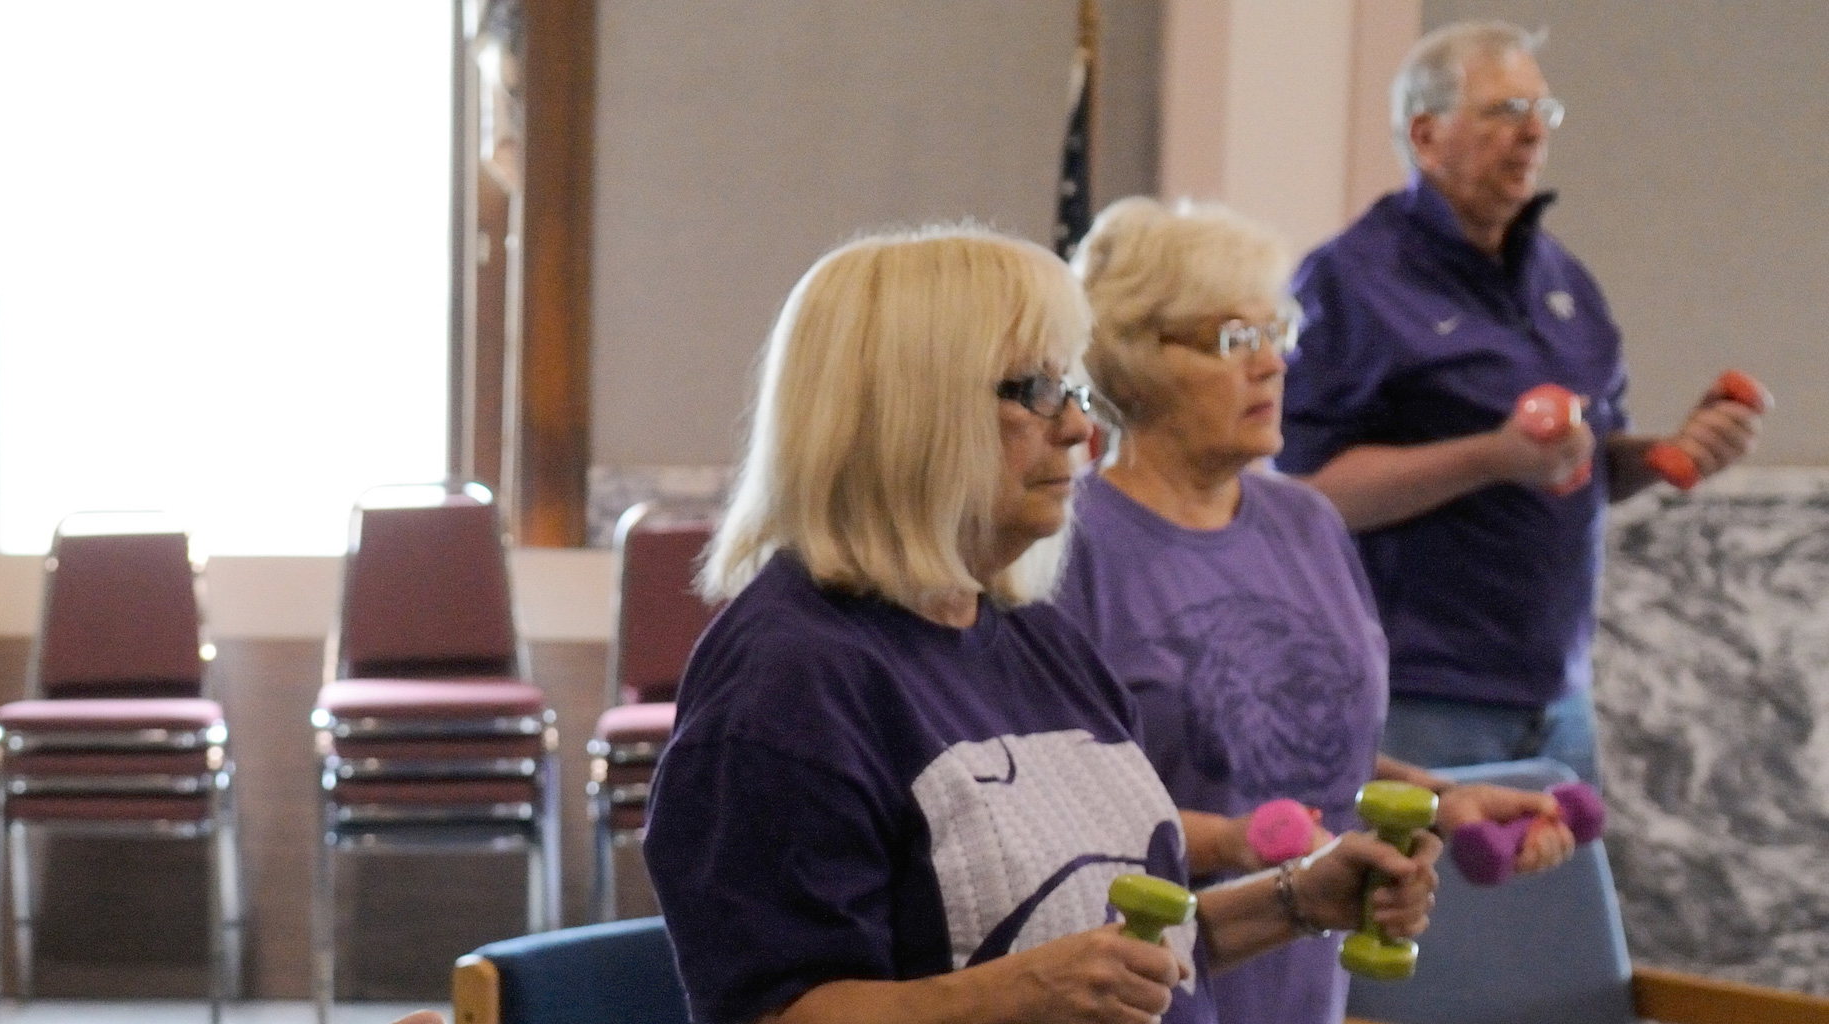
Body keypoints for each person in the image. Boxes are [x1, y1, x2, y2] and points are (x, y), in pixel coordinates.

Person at [642, 226, 1439, 1024]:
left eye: (1074, 391)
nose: (1078, 431)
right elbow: (777, 1012)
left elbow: (1125, 953)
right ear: (908, 409)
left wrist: (1297, 900)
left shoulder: (1037, 641)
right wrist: (1020, 994)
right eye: (1033, 390)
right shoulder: (789, 681)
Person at [1061, 197, 1581, 1024]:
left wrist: (1442, 801)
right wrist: (1245, 845)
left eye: (1277, 333)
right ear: (1131, 360)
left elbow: (1308, 749)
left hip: (1307, 991)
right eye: (1235, 339)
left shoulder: (1306, 523)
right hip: (1147, 991)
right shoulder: (1072, 546)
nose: (1272, 363)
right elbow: (1056, 812)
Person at [1280, 21, 1764, 787]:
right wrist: (1492, 457)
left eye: (1544, 110)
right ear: (1426, 135)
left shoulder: (1563, 279)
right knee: (1423, 876)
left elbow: (1580, 466)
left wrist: (1666, 454)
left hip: (1557, 691)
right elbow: (1303, 496)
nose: (1535, 132)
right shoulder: (1349, 281)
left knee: (1566, 874)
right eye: (1506, 111)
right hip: (1418, 695)